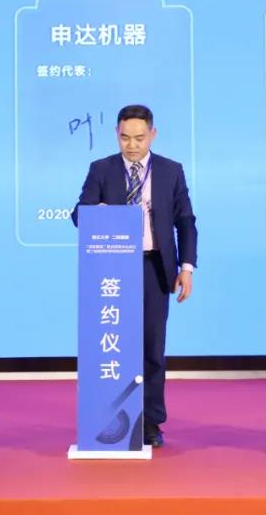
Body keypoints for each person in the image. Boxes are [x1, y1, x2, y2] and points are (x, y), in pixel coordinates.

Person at [72, 104, 197, 448]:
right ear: (117, 134)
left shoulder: (171, 170)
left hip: (155, 266)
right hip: (112, 268)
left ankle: (151, 422)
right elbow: (78, 215)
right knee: (113, 343)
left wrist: (186, 267)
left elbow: (186, 221)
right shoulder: (101, 169)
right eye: (125, 137)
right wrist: (92, 212)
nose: (132, 145)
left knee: (152, 348)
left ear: (152, 134)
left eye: (139, 138)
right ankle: (110, 415)